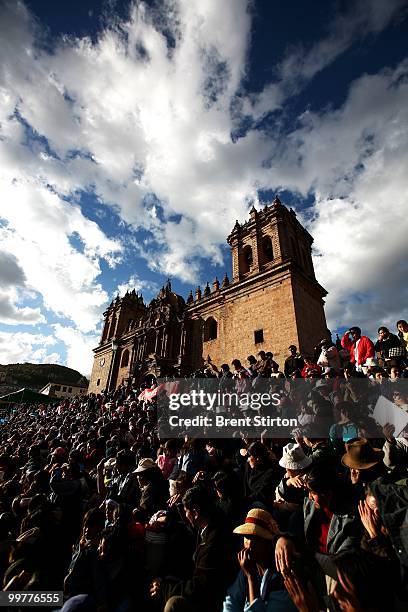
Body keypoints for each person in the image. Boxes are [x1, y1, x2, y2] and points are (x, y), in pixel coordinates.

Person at [150, 485, 235, 612]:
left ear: (195, 511)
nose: (185, 515)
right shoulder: (211, 525)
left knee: (172, 605)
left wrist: (163, 589)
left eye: (186, 511)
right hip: (200, 588)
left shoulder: (213, 542)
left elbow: (199, 587)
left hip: (211, 601)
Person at [223, 508, 296, 611]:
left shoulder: (282, 575)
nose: (250, 544)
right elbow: (232, 599)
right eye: (247, 537)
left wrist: (251, 578)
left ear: (268, 543)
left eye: (256, 539)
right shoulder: (247, 568)